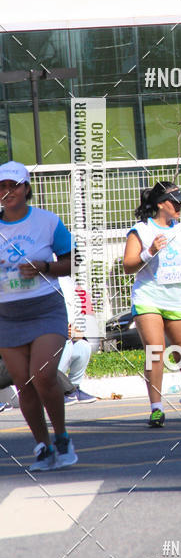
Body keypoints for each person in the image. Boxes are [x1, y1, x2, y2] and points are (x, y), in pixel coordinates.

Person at [0, 161, 77, 470]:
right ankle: (42, 446)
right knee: (23, 383)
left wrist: (44, 267)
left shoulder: (47, 222)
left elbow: (73, 262)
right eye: (2, 186)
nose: (8, 192)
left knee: (43, 375)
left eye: (13, 186)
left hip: (46, 308)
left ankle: (62, 437)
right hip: (7, 315)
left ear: (26, 188)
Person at [123, 180, 181, 427]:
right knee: (155, 352)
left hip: (177, 299)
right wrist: (149, 251)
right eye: (175, 201)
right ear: (161, 204)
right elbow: (128, 266)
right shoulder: (140, 230)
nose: (180, 205)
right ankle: (156, 408)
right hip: (148, 298)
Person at [57, 275, 95, 404]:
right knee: (66, 343)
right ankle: (56, 389)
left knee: (83, 346)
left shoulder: (70, 283)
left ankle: (73, 388)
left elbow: (80, 329)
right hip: (45, 342)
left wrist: (73, 332)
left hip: (64, 334)